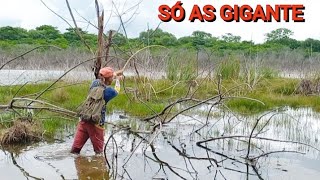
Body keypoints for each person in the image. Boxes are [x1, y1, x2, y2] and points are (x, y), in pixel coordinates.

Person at [71, 67, 123, 154]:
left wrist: (114, 75)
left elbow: (105, 79)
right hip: (96, 125)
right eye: (111, 78)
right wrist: (118, 80)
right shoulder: (109, 92)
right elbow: (117, 90)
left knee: (75, 151)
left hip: (84, 120)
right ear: (109, 79)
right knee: (99, 153)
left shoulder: (94, 83)